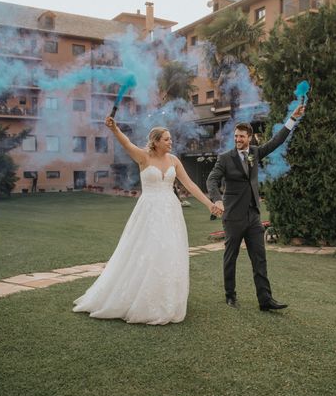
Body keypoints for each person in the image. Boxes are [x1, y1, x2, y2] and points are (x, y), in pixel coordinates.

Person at [73, 116, 221, 325]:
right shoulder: (143, 157)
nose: (171, 142)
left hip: (170, 211)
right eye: (167, 139)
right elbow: (126, 143)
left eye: (171, 139)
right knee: (146, 252)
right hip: (149, 212)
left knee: (169, 253)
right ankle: (138, 298)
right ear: (156, 141)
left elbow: (190, 185)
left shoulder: (174, 161)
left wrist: (209, 204)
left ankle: (165, 299)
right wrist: (114, 129)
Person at [206, 104, 305, 311]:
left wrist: (292, 120)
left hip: (253, 217)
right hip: (233, 217)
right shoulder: (225, 158)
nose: (238, 140)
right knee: (230, 258)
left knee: (260, 258)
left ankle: (265, 300)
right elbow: (212, 180)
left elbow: (276, 141)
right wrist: (216, 199)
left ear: (249, 137)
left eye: (242, 136)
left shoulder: (254, 153)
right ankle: (230, 295)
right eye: (236, 136)